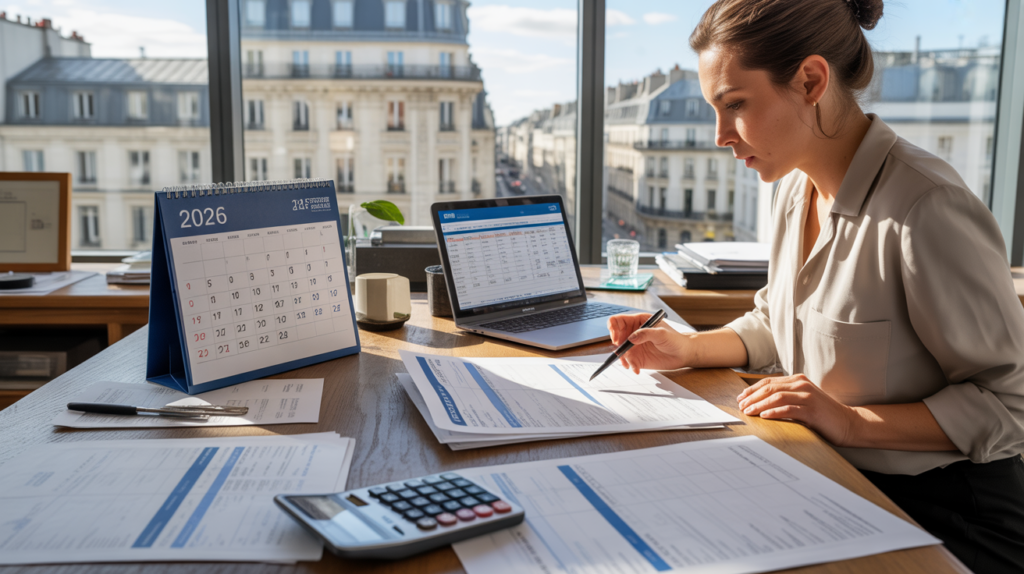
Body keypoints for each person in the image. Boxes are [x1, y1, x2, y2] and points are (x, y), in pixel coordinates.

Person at [607, 0, 1024, 571]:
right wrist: (689, 347)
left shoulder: (927, 207)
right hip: (833, 478)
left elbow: (1010, 404)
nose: (720, 136)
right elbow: (780, 318)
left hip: (949, 512)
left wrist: (847, 420)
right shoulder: (791, 189)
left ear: (810, 80)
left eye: (735, 106)